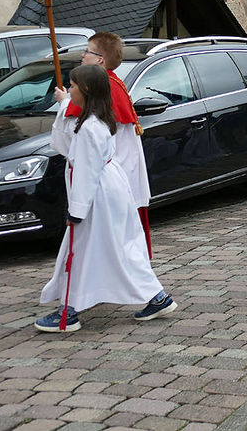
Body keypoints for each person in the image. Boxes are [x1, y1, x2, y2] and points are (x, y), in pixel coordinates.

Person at [35, 65, 176, 332]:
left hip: (97, 195)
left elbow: (86, 170)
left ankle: (69, 312)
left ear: (86, 90)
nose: (70, 89)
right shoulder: (96, 120)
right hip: (109, 190)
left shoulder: (90, 127)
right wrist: (64, 105)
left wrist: (76, 210)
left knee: (80, 250)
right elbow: (65, 145)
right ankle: (156, 297)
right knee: (116, 248)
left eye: (73, 86)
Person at [63, 32, 152, 253]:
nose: (82, 56)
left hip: (107, 180)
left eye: (87, 52)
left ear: (100, 60)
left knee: (113, 246)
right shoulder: (112, 83)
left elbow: (72, 137)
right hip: (117, 174)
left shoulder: (101, 92)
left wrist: (64, 103)